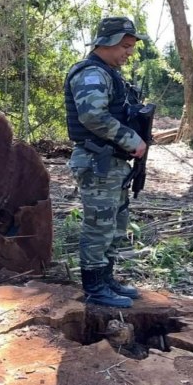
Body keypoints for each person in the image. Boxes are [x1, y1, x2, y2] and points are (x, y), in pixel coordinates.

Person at [64, 16, 149, 308]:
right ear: (108, 43)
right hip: (97, 161)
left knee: (115, 223)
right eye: (125, 46)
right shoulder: (91, 74)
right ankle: (94, 287)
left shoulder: (109, 74)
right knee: (98, 226)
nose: (129, 53)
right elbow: (93, 116)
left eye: (131, 47)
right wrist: (131, 139)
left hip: (112, 163)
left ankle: (107, 278)